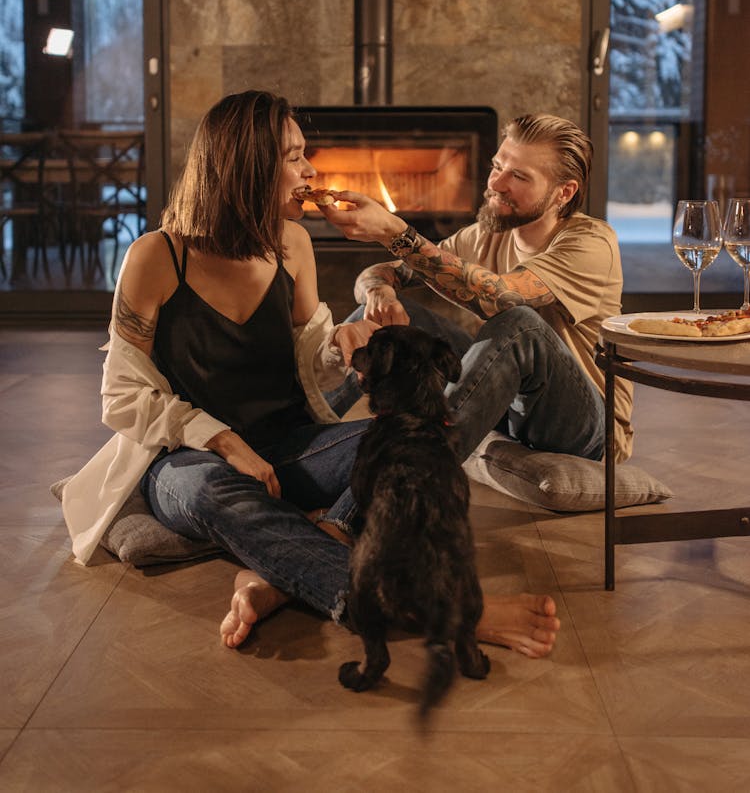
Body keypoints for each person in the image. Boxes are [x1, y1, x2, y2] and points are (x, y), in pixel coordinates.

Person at [60, 91, 560, 659]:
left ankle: (276, 576)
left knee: (412, 438)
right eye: (293, 156)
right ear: (246, 166)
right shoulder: (158, 256)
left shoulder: (292, 244)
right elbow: (121, 397)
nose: (310, 170)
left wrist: (339, 344)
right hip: (186, 460)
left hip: (290, 447)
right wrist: (221, 440)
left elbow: (311, 365)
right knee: (204, 489)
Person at [319, 113, 634, 467]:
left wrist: (395, 233)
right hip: (509, 405)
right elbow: (385, 272)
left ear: (565, 192)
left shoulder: (591, 243)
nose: (496, 183)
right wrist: (379, 291)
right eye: (497, 166)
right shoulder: (486, 234)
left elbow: (500, 296)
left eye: (518, 176)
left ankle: (419, 467)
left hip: (583, 426)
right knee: (378, 316)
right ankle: (301, 438)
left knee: (519, 323)